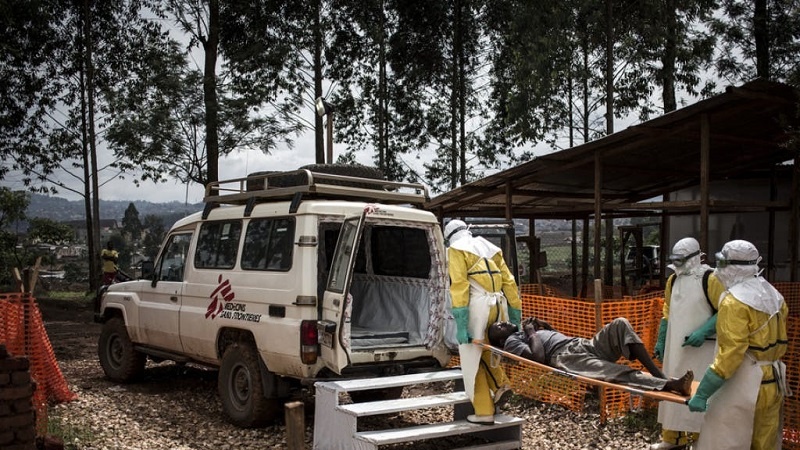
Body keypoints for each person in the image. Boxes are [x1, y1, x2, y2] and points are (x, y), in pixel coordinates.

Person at [687, 240, 790, 450]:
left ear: (733, 267)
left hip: (744, 382)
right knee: (765, 441)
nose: (718, 270)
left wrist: (703, 393)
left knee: (727, 439)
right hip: (774, 379)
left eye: (722, 264)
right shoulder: (774, 295)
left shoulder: (734, 302)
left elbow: (730, 355)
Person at [488, 317, 694, 396]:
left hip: (581, 344)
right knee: (616, 372)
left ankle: (659, 374)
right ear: (499, 340)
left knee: (620, 325)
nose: (503, 322)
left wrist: (545, 327)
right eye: (498, 327)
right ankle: (668, 385)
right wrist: (532, 332)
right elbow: (538, 358)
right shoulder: (511, 342)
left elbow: (551, 338)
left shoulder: (522, 332)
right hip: (567, 357)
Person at [445, 219, 522, 425]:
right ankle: (500, 385)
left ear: (449, 237)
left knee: (471, 360)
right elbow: (510, 283)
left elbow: (459, 286)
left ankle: (483, 411)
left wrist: (461, 325)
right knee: (489, 349)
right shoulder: (491, 247)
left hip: (477, 308)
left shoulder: (456, 249)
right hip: (499, 305)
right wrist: (515, 318)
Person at [651, 237, 726, 450]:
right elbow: (668, 310)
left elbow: (727, 309)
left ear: (694, 257)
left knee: (701, 392)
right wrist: (662, 338)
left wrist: (704, 331)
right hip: (676, 349)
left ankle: (702, 441)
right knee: (672, 390)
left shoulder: (710, 278)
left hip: (703, 350)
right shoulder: (673, 280)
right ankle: (673, 438)